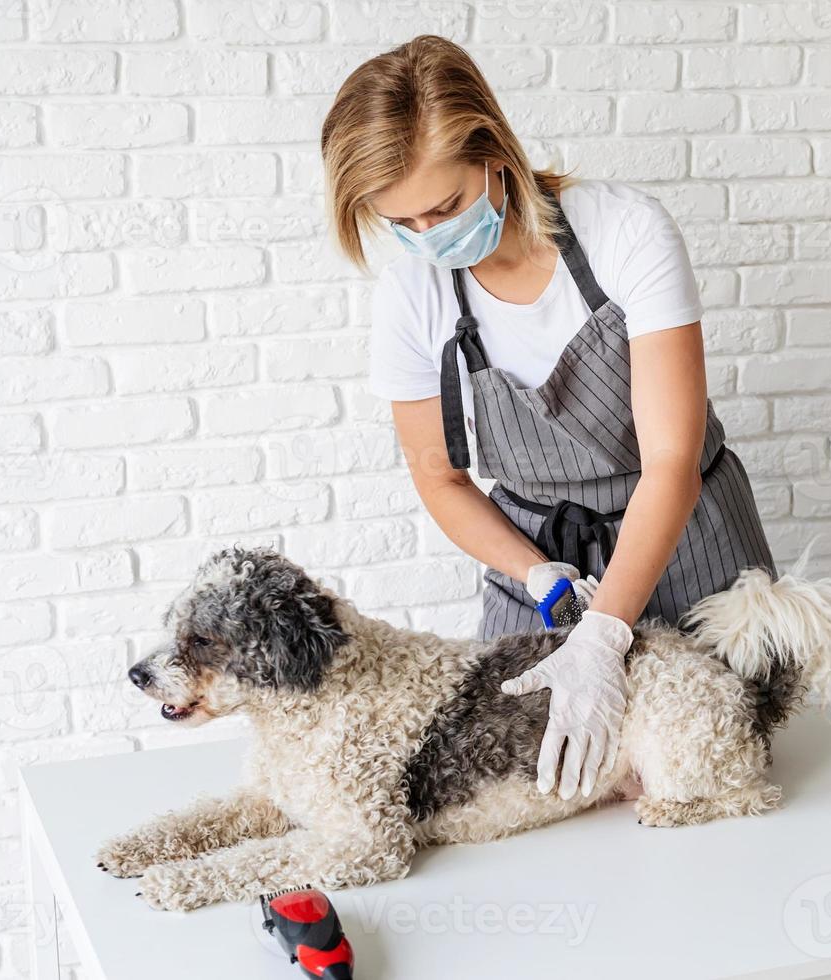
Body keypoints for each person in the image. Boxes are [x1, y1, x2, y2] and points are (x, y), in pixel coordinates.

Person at [320, 35, 777, 803]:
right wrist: (536, 574)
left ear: (495, 156)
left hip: (686, 540)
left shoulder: (624, 232)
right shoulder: (413, 296)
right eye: (404, 223)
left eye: (447, 206)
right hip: (539, 564)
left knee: (704, 782)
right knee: (540, 794)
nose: (431, 238)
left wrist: (603, 636)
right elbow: (439, 475)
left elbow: (670, 458)